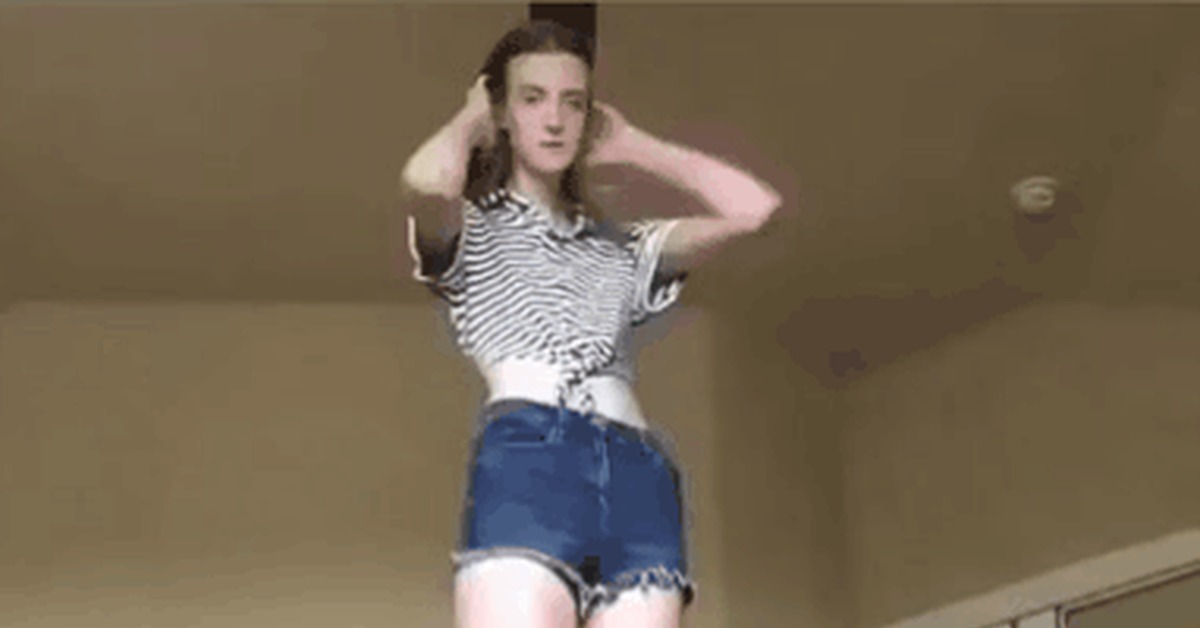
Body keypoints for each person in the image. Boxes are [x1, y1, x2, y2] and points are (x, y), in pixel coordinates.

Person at [398, 19, 782, 628]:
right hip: (530, 457)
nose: (554, 119)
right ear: (504, 112)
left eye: (572, 103)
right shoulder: (472, 230)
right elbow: (425, 184)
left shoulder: (623, 246)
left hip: (638, 475)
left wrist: (636, 147)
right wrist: (472, 117)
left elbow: (756, 212)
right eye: (532, 98)